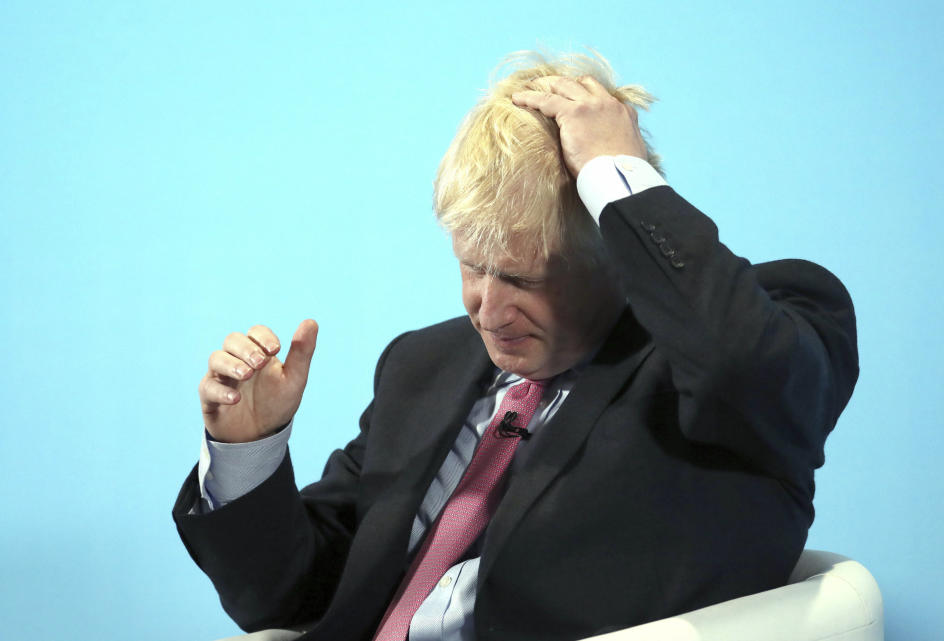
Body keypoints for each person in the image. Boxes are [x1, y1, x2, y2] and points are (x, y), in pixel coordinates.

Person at [173, 51, 858, 641]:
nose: (487, 309)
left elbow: (742, 365)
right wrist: (250, 451)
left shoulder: (745, 343)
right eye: (473, 265)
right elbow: (294, 598)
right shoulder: (420, 366)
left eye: (524, 277)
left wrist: (616, 173)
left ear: (612, 253)